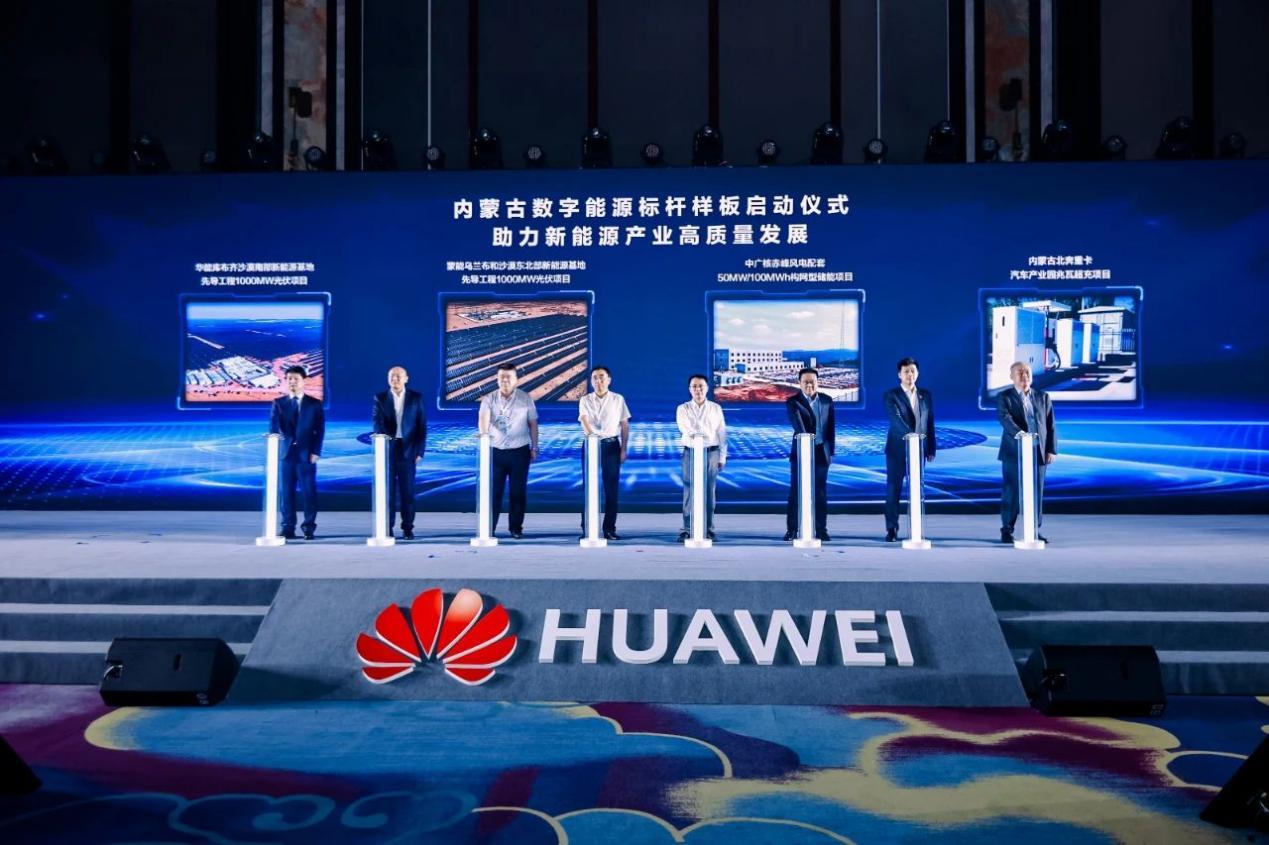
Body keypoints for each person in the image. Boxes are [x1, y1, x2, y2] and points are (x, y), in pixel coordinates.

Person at [997, 361, 1057, 543]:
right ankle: (1007, 529)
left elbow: (1050, 424)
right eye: (1020, 372)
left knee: (1036, 491)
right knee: (1012, 491)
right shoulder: (1004, 397)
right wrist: (1021, 435)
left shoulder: (1043, 397)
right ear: (1012, 376)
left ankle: (1033, 530)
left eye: (1027, 372)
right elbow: (1004, 418)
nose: (1024, 375)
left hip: (1038, 451)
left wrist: (1051, 449)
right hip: (1014, 451)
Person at [478, 363, 539, 539]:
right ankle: (489, 528)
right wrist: (483, 435)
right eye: (501, 377)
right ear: (497, 379)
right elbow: (483, 420)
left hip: (519, 452)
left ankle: (516, 528)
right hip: (496, 452)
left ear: (516, 379)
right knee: (493, 492)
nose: (505, 380)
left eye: (509, 377)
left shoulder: (525, 398)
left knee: (517, 492)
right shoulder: (489, 399)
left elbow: (533, 424)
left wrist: (534, 447)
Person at [883, 357, 936, 542]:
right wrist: (912, 435)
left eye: (913, 371)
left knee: (916, 490)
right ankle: (892, 529)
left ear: (917, 373)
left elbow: (929, 422)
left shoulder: (925, 395)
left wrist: (931, 447)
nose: (910, 374)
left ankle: (916, 528)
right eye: (906, 371)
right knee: (894, 490)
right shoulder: (891, 395)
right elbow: (895, 420)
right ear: (899, 374)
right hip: (897, 449)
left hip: (919, 450)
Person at [268, 365, 325, 540]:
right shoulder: (279, 403)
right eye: (289, 379)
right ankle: (288, 527)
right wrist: (274, 444)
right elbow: (273, 428)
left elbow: (320, 430)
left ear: (303, 381)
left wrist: (316, 451)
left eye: (296, 379)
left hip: (306, 455)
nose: (292, 382)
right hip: (286, 455)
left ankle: (309, 528)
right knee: (286, 493)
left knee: (309, 492)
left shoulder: (314, 404)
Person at [372, 365, 427, 540]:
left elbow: (421, 427)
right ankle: (387, 527)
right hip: (388, 450)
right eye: (391, 376)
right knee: (387, 492)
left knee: (407, 493)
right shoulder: (380, 398)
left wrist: (420, 451)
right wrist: (381, 441)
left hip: (408, 450)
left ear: (406, 378)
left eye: (398, 376)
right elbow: (377, 422)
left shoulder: (416, 398)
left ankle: (407, 528)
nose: (394, 379)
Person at [578, 365, 631, 541]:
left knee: (611, 489)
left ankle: (609, 529)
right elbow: (584, 419)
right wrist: (592, 436)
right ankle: (587, 528)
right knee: (589, 488)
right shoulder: (585, 399)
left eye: (601, 377)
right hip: (591, 445)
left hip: (611, 446)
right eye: (595, 377)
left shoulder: (618, 399)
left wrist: (623, 449)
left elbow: (624, 425)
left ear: (609, 380)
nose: (598, 380)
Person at [784, 367, 835, 541]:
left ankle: (821, 530)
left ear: (818, 382)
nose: (809, 385)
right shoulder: (793, 402)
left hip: (821, 452)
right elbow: (798, 425)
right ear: (799, 383)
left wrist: (830, 452)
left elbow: (831, 428)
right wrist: (807, 441)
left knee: (820, 493)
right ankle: (792, 530)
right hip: (801, 453)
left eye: (812, 381)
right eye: (805, 382)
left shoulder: (827, 401)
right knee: (796, 492)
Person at [676, 374, 727, 542]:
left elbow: (721, 433)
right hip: (690, 452)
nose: (698, 389)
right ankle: (687, 529)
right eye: (694, 386)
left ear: (707, 388)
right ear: (689, 389)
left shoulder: (715, 408)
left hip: (711, 452)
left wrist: (722, 457)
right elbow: (686, 429)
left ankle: (709, 529)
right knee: (689, 490)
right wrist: (704, 433)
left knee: (709, 491)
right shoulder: (683, 409)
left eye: (701, 386)